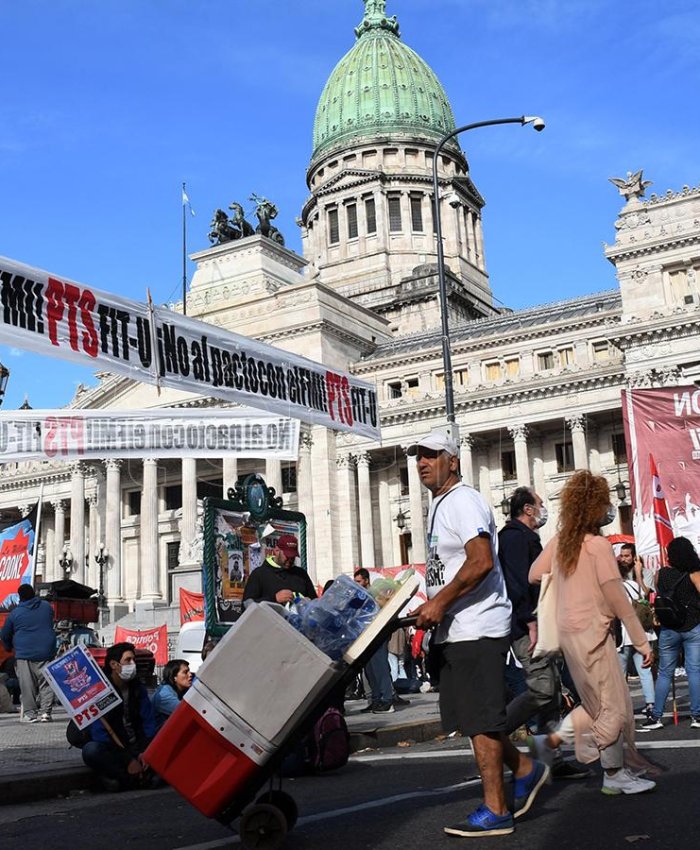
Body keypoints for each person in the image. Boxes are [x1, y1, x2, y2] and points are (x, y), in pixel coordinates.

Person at [411, 428, 548, 838]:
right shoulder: (441, 504)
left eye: (432, 455)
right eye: (418, 456)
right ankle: (525, 768)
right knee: (473, 719)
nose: (422, 462)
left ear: (453, 461)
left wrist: (440, 602)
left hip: (477, 625)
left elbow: (481, 560)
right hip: (456, 628)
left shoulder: (463, 501)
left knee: (483, 721)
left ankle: (497, 810)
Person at [528, 470, 658, 795]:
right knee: (613, 706)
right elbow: (618, 600)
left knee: (597, 703)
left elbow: (534, 574)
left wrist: (565, 582)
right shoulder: (598, 546)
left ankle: (569, 751)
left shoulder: (561, 542)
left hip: (568, 634)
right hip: (594, 632)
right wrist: (641, 641)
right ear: (595, 507)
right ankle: (610, 772)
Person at [500, 487, 589, 781]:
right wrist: (529, 620)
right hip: (528, 626)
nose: (543, 508)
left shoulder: (526, 537)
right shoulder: (513, 537)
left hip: (542, 622)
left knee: (551, 692)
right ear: (527, 509)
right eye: (539, 503)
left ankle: (550, 759)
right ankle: (494, 734)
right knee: (543, 688)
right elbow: (516, 583)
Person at [639, 536, 700, 731]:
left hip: (669, 627)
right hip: (692, 626)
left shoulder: (661, 574)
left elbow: (660, 592)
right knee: (694, 671)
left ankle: (656, 716)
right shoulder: (694, 573)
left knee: (665, 672)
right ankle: (697, 715)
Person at [82, 642, 157, 792]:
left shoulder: (138, 689)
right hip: (115, 748)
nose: (133, 664)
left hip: (137, 744)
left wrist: (145, 751)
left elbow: (148, 722)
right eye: (128, 660)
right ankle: (127, 779)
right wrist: (127, 759)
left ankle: (127, 779)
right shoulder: (101, 692)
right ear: (114, 665)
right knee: (91, 750)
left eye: (133, 660)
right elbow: (100, 733)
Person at [0, 583, 56, 723]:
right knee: (47, 682)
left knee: (27, 685)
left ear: (20, 597)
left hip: (24, 653)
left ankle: (30, 714)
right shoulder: (46, 607)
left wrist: (8, 647)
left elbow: (5, 634)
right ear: (34, 594)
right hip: (46, 650)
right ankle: (46, 713)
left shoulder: (15, 613)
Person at [616, 543, 657, 722]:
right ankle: (651, 705)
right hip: (641, 633)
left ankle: (623, 708)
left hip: (624, 634)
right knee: (644, 671)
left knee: (621, 674)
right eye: (622, 556)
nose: (624, 558)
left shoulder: (615, 587)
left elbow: (646, 595)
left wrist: (639, 573)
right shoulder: (632, 584)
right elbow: (643, 596)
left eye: (627, 555)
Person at [353, 568, 396, 713]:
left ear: (366, 580)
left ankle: (387, 700)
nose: (356, 584)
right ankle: (376, 700)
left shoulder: (375, 595)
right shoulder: (360, 596)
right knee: (370, 670)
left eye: (359, 581)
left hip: (377, 635)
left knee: (380, 668)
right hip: (366, 637)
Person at [242, 534, 317, 605]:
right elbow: (246, 605)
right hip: (270, 614)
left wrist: (308, 602)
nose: (290, 560)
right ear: (276, 551)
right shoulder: (259, 574)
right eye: (287, 556)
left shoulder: (301, 574)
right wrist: (274, 599)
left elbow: (315, 602)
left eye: (293, 557)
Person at [153, 659, 192, 730]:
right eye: (185, 672)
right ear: (174, 677)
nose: (190, 675)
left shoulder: (181, 691)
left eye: (189, 671)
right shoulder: (165, 695)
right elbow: (187, 713)